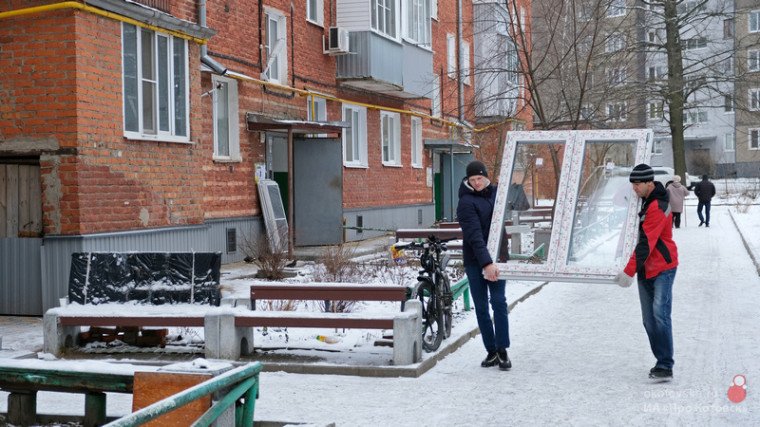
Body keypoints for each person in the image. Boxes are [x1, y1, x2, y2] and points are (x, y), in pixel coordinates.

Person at [615, 163, 679, 380]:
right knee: (648, 320)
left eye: (637, 184)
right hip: (646, 268)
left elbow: (646, 244)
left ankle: (665, 364)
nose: (634, 188)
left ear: (649, 183)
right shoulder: (641, 201)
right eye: (632, 184)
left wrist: (628, 272)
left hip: (663, 267)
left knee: (660, 315)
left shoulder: (658, 205)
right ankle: (660, 359)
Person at [457, 160, 511, 371]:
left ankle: (502, 350)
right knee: (481, 307)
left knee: (499, 302)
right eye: (472, 180)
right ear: (468, 181)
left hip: (498, 258)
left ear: (486, 177)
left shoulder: (498, 192)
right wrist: (486, 263)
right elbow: (475, 236)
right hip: (475, 261)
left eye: (480, 178)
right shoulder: (466, 202)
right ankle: (491, 351)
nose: (477, 182)